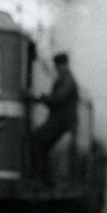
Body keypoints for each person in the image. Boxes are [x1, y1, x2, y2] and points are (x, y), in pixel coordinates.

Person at [30, 51, 80, 186]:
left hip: (62, 122)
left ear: (63, 65)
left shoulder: (68, 81)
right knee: (42, 144)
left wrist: (38, 96)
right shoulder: (66, 79)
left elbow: (57, 99)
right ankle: (46, 181)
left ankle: (42, 180)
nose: (57, 69)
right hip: (61, 121)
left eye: (58, 66)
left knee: (36, 140)